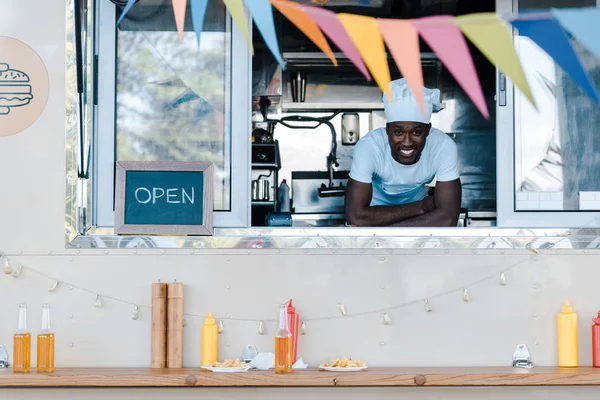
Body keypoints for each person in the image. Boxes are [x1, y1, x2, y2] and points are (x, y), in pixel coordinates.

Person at [345, 78, 461, 227]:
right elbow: (356, 218)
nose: (407, 142)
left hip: (377, 225)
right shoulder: (370, 146)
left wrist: (383, 232)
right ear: (387, 130)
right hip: (415, 217)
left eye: (416, 132)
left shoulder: (442, 146)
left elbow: (448, 219)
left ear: (428, 130)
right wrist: (422, 207)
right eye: (398, 132)